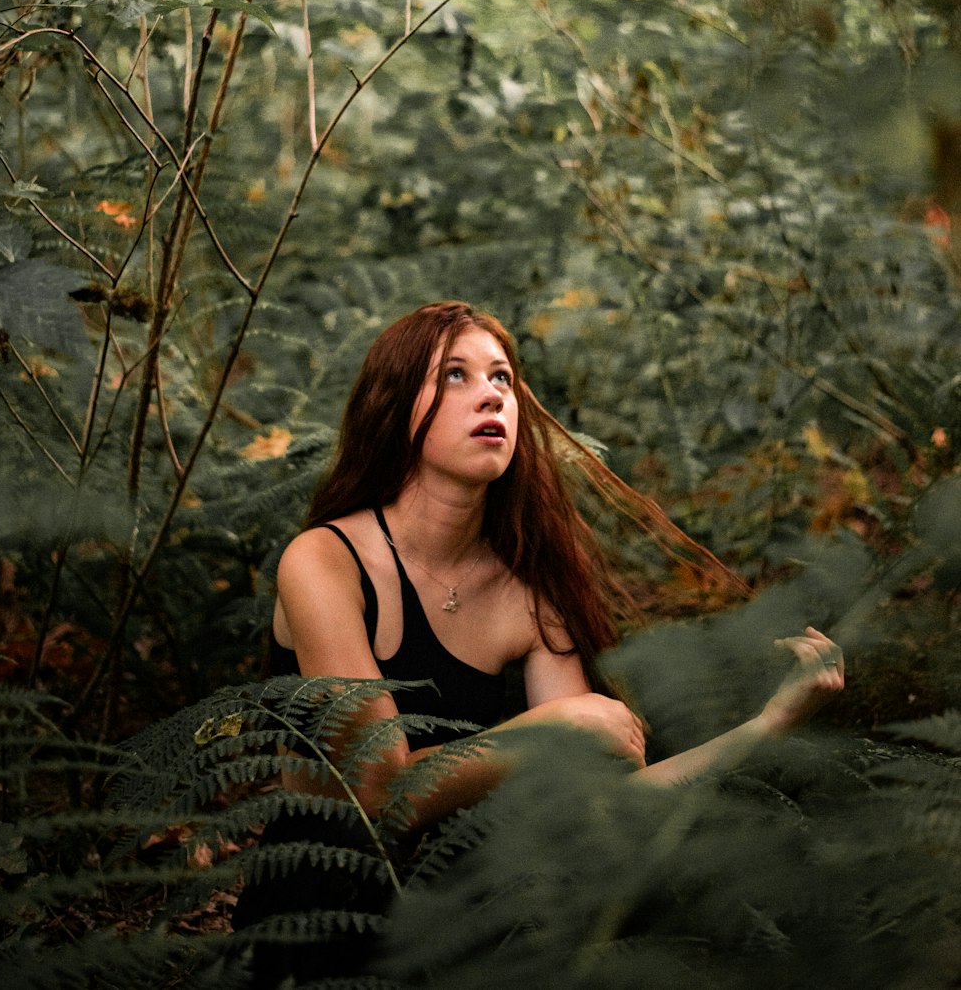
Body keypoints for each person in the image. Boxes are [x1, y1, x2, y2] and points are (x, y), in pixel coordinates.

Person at [232, 300, 844, 978]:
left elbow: (610, 804)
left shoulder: (527, 591)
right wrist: (555, 727)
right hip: (322, 917)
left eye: (501, 378)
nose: (490, 394)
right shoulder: (325, 561)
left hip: (460, 911)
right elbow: (380, 796)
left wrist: (765, 725)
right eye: (455, 376)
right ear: (395, 405)